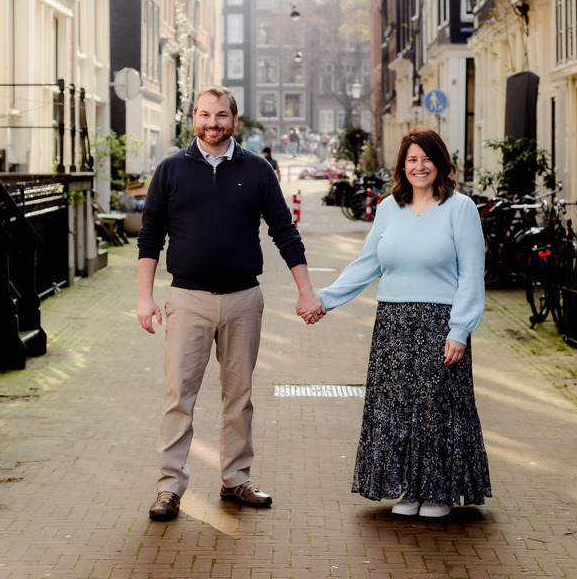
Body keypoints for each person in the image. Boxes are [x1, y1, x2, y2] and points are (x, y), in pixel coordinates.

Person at [137, 87, 323, 522]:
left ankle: (235, 479)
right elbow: (149, 237)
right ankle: (169, 488)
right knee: (178, 396)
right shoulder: (169, 171)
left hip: (244, 300)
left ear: (234, 120)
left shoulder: (258, 171)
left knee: (238, 396)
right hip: (187, 299)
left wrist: (306, 290)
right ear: (193, 118)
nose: (212, 123)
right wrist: (145, 298)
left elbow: (284, 232)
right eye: (204, 115)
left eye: (221, 115)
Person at [304, 128, 490, 518]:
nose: (419, 167)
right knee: (397, 407)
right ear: (402, 166)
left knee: (438, 408)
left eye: (426, 159)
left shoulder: (460, 208)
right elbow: (367, 263)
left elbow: (472, 275)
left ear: (439, 162)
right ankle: (408, 490)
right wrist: (325, 300)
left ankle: (438, 493)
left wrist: (460, 330)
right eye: (411, 160)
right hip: (393, 321)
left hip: (440, 322)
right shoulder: (389, 207)